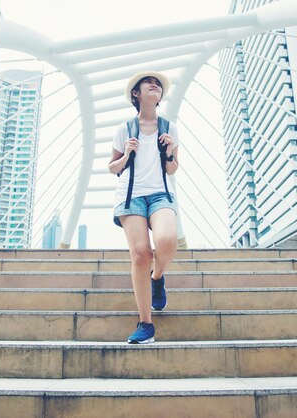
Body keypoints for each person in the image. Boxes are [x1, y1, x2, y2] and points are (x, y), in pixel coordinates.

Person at [108, 70, 180, 344]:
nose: (155, 85)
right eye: (148, 83)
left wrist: (170, 151)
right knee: (140, 254)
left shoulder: (169, 128)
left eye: (158, 84)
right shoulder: (124, 130)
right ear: (136, 94)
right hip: (131, 196)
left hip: (160, 193)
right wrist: (127, 153)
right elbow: (112, 167)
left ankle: (157, 276)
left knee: (167, 241)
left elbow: (172, 169)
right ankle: (145, 324)